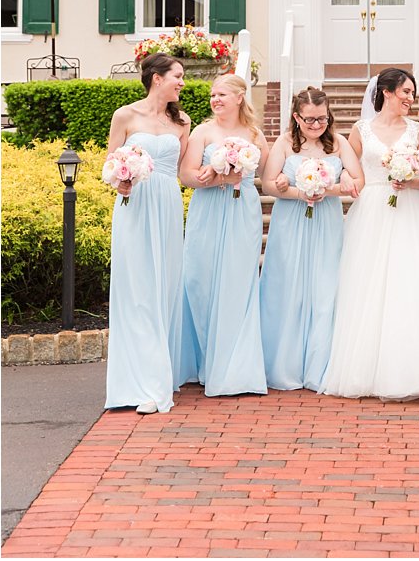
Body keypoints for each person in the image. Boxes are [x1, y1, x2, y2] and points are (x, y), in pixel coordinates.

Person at [321, 67, 419, 400]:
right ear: (387, 92)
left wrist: (414, 179)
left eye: (412, 93)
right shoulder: (361, 130)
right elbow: (352, 173)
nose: (410, 99)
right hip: (373, 212)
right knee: (370, 288)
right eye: (406, 92)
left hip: (413, 215)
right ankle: (369, 371)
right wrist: (342, 184)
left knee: (416, 284)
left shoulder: (418, 130)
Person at [103, 54, 193, 414]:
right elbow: (110, 164)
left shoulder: (183, 121)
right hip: (134, 205)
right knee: (136, 289)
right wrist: (121, 182)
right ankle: (139, 383)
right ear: (157, 78)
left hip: (168, 205)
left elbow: (184, 171)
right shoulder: (125, 115)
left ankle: (161, 374)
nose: (182, 83)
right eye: (178, 76)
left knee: (163, 289)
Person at [259, 86, 362, 391]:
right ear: (296, 117)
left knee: (324, 287)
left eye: (322, 119)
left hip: (326, 219)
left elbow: (359, 181)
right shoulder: (284, 143)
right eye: (309, 120)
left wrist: (333, 185)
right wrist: (297, 191)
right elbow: (267, 184)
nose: (317, 126)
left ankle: (320, 367)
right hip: (290, 220)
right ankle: (284, 365)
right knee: (287, 286)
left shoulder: (339, 143)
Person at [179, 73, 269, 396]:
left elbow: (267, 174)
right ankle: (206, 360)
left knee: (237, 282)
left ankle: (234, 365)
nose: (215, 100)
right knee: (199, 280)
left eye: (221, 95)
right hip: (207, 210)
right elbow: (186, 176)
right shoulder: (203, 132)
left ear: (240, 98)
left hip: (242, 210)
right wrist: (217, 177)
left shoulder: (255, 134)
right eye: (213, 95)